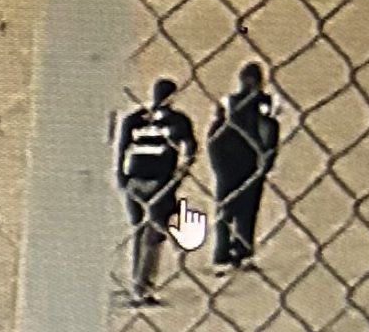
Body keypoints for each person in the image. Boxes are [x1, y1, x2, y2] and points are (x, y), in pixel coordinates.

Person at [117, 79, 199, 307]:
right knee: (153, 235)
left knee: (139, 230)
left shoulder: (134, 119)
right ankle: (143, 286)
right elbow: (191, 149)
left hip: (135, 179)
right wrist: (180, 174)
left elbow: (122, 149)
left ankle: (136, 281)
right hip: (161, 182)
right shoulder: (178, 121)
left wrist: (121, 177)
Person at [208, 63, 282, 273]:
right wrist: (266, 162)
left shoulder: (232, 102)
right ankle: (234, 252)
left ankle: (229, 253)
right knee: (242, 211)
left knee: (232, 210)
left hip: (234, 164)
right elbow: (271, 132)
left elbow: (213, 135)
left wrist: (217, 163)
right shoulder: (262, 103)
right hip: (245, 163)